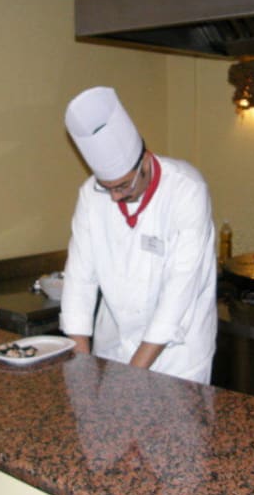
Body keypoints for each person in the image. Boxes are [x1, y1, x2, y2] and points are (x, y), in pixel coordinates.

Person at [60, 86, 217, 384]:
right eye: (107, 187)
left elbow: (179, 291)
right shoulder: (91, 195)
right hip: (113, 350)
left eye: (123, 186)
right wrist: (82, 368)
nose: (115, 197)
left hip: (178, 359)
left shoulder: (187, 190)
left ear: (145, 161)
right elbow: (80, 280)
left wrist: (132, 375)